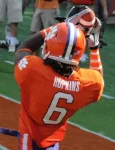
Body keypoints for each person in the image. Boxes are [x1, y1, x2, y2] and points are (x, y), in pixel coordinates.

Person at [14, 19, 104, 149]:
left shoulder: (33, 69)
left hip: (29, 140)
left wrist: (52, 30)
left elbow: (23, 49)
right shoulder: (86, 82)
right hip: (52, 143)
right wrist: (94, 48)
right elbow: (99, 79)